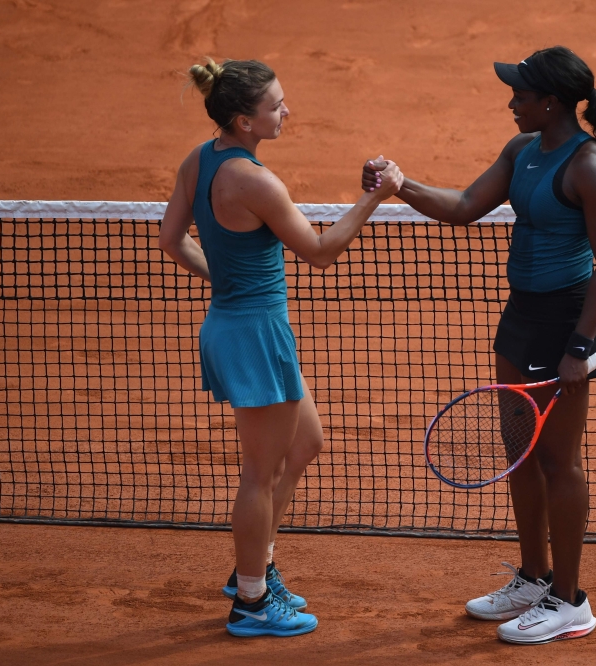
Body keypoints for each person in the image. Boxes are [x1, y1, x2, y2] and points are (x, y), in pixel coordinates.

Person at [362, 46, 596, 644]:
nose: (511, 103)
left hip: (566, 325)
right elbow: (461, 208)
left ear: (551, 102)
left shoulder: (589, 167)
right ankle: (533, 579)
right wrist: (399, 185)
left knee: (560, 462)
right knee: (521, 455)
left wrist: (580, 347)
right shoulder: (522, 152)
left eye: (521, 95)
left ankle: (570, 601)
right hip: (521, 319)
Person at [159, 57, 403, 638]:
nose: (285, 112)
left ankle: (256, 565)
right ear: (244, 120)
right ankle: (250, 600)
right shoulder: (257, 181)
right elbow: (320, 253)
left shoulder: (200, 159)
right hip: (254, 335)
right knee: (259, 474)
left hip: (238, 325)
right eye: (275, 106)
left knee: (307, 444)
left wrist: (225, 280)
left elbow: (172, 240)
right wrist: (377, 196)